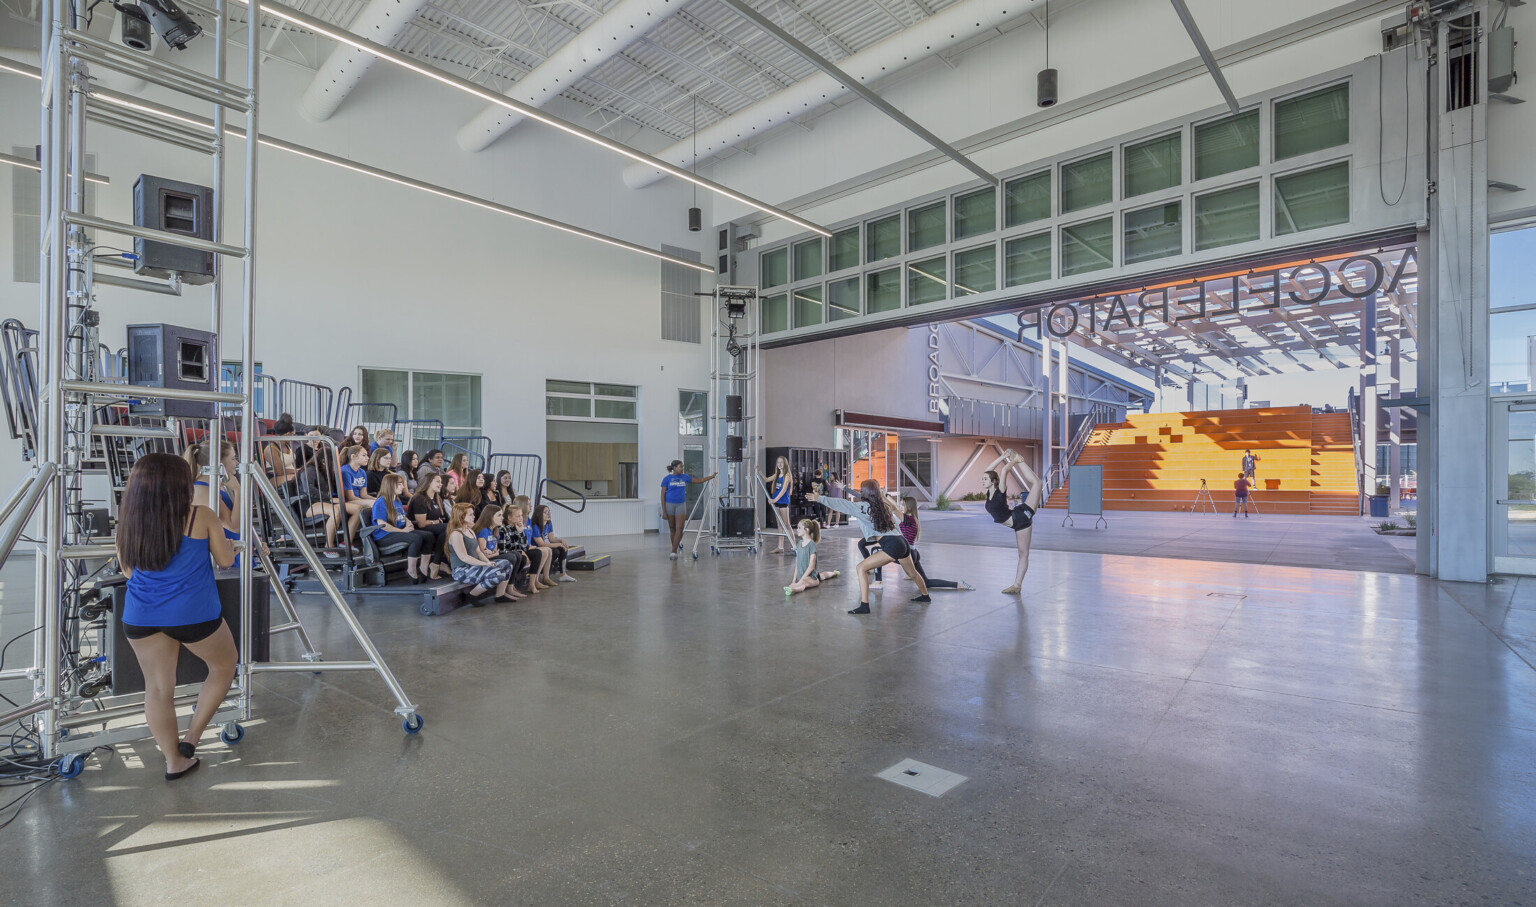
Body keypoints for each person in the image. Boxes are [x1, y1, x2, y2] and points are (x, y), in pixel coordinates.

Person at [115, 453, 238, 781]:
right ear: (180, 484)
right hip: (192, 614)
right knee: (224, 666)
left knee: (156, 689)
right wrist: (228, 547)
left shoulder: (128, 520)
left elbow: (128, 571)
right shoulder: (201, 515)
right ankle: (192, 739)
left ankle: (174, 761)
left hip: (141, 615)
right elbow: (225, 561)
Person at [807, 479, 929, 614]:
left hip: (892, 544)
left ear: (865, 493)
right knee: (912, 573)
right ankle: (925, 596)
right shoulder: (883, 506)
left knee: (860, 568)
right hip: (902, 542)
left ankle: (864, 606)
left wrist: (820, 498)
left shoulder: (862, 508)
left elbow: (842, 504)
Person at [981, 449, 1043, 594]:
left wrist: (1015, 460)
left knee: (1037, 483)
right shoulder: (988, 494)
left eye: (985, 479)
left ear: (993, 481)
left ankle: (1021, 459)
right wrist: (1002, 456)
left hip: (1021, 516)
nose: (982, 481)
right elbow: (988, 470)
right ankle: (1017, 586)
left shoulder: (1000, 491)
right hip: (1017, 521)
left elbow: (1004, 470)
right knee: (1022, 554)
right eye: (982, 479)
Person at [443, 502, 515, 604]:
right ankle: (472, 595)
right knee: (499, 573)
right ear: (461, 516)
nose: (474, 516)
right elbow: (464, 557)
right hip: (462, 570)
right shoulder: (456, 534)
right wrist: (485, 564)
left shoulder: (470, 531)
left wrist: (488, 562)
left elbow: (478, 552)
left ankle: (500, 595)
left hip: (474, 566)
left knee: (507, 564)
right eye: (471, 514)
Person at [369, 473, 435, 582]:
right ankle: (411, 570)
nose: (403, 487)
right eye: (399, 484)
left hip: (397, 532)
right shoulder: (381, 501)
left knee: (428, 536)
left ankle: (423, 568)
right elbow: (382, 524)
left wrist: (408, 523)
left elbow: (403, 515)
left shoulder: (397, 500)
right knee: (416, 538)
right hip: (384, 536)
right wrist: (402, 531)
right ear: (390, 485)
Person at [899, 497, 972, 591]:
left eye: (902, 505)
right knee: (927, 583)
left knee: (876, 551)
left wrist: (884, 497)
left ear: (909, 506)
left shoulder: (908, 519)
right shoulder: (913, 518)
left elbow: (894, 509)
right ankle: (958, 584)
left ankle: (878, 581)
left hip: (909, 554)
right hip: (914, 553)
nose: (900, 507)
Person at [185, 440, 240, 545]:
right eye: (233, 459)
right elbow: (234, 527)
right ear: (219, 464)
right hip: (224, 554)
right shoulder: (203, 491)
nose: (236, 463)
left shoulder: (221, 486)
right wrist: (238, 491)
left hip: (234, 548)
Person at [660, 460, 716, 559]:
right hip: (669, 505)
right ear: (674, 468)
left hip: (681, 505)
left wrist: (711, 477)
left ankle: (673, 551)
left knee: (680, 529)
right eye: (680, 467)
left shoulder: (684, 477)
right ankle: (674, 548)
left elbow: (698, 480)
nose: (682, 468)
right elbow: (662, 495)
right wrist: (664, 511)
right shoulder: (667, 479)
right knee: (672, 528)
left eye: (683, 467)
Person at [473, 506, 527, 600]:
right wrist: (495, 553)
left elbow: (495, 551)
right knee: (512, 557)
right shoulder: (483, 531)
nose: (502, 517)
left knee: (518, 555)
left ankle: (510, 587)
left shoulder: (494, 530)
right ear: (490, 517)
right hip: (483, 560)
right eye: (499, 515)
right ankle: (503, 591)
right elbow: (483, 553)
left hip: (491, 556)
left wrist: (520, 532)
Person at [407, 473, 449, 579]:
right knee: (447, 528)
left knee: (449, 528)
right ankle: (436, 563)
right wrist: (435, 522)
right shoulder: (419, 498)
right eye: (438, 481)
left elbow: (442, 518)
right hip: (418, 528)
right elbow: (421, 523)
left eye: (441, 482)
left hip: (431, 527)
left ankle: (439, 562)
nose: (441, 484)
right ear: (429, 483)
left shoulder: (436, 498)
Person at [784, 519, 840, 596]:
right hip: (804, 576)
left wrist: (799, 582)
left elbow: (811, 567)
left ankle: (793, 590)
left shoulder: (811, 544)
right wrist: (794, 580)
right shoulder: (799, 543)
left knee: (804, 583)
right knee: (822, 575)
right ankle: (834, 572)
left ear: (806, 530)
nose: (797, 529)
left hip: (811, 578)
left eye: (799, 528)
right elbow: (797, 563)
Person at [494, 502, 537, 595]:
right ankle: (509, 587)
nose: (521, 518)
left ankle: (530, 584)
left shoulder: (516, 527)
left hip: (514, 553)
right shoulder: (503, 529)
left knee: (536, 553)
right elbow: (503, 550)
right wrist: (519, 551)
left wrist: (521, 532)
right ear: (509, 517)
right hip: (503, 554)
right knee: (517, 556)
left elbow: (525, 547)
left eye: (521, 515)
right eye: (518, 516)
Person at [511, 504, 555, 590]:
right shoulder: (515, 524)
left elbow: (526, 538)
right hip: (520, 548)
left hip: (527, 546)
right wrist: (525, 549)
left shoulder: (528, 521)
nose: (531, 506)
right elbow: (515, 542)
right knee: (541, 552)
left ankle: (543, 578)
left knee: (548, 550)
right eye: (528, 504)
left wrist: (528, 546)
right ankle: (533, 582)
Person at [530, 503, 577, 583]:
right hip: (536, 548)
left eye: (549, 511)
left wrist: (561, 541)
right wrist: (559, 544)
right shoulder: (535, 526)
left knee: (562, 548)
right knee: (555, 551)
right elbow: (541, 544)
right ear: (539, 514)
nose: (549, 514)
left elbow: (551, 539)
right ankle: (543, 573)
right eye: (546, 512)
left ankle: (563, 574)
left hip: (544, 547)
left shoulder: (548, 523)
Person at [338, 445, 374, 543]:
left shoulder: (362, 472)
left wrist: (377, 499)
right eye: (364, 455)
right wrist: (369, 502)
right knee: (372, 505)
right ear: (354, 457)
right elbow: (350, 497)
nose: (367, 458)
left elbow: (364, 494)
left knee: (381, 502)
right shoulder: (345, 471)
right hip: (349, 500)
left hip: (357, 499)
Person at [758, 456, 793, 554]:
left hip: (782, 502)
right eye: (778, 462)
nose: (780, 464)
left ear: (785, 464)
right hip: (776, 501)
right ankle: (780, 547)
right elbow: (766, 479)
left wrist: (774, 500)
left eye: (781, 462)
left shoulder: (787, 476)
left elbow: (783, 490)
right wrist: (759, 471)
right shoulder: (778, 474)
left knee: (786, 525)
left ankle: (795, 546)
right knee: (780, 525)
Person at [261, 413, 300, 486]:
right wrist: (298, 471)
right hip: (274, 477)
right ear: (288, 434)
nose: (293, 437)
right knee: (300, 477)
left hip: (288, 475)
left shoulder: (288, 446)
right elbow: (280, 472)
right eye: (292, 435)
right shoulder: (271, 449)